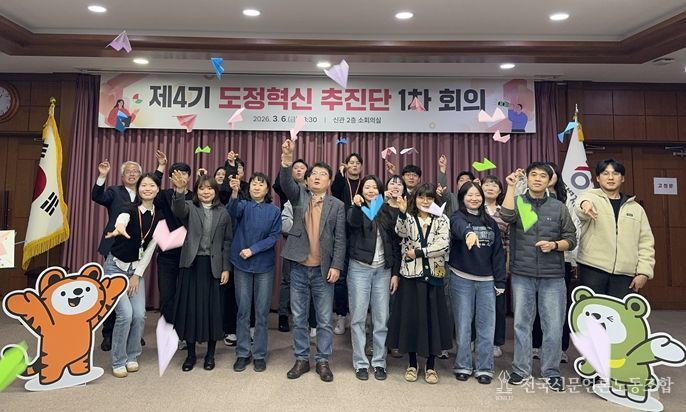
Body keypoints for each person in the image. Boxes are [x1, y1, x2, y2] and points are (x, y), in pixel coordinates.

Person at [500, 163, 577, 392]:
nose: (537, 179)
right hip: (522, 273)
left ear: (549, 180)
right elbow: (505, 216)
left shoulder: (558, 207)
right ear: (527, 178)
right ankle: (521, 369)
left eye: (543, 176)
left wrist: (554, 245)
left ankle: (551, 371)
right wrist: (511, 187)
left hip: (553, 275)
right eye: (533, 175)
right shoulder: (519, 202)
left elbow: (571, 239)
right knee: (522, 323)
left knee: (552, 325)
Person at [279, 138, 346, 382]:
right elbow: (286, 183)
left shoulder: (337, 205)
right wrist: (287, 159)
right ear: (307, 180)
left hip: (323, 270)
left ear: (329, 181)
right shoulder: (299, 197)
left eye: (322, 174)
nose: (317, 177)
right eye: (313, 174)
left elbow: (340, 239)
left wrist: (336, 265)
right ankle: (301, 359)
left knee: (324, 320)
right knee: (299, 318)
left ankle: (323, 361)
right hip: (298, 267)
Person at [92, 153, 165, 351]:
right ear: (122, 175)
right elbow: (97, 197)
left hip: (137, 253)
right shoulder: (114, 192)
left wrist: (161, 167)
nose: (132, 174)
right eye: (128, 172)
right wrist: (102, 176)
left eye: (136, 172)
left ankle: (133, 336)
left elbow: (153, 182)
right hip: (115, 248)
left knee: (134, 302)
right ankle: (108, 335)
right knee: (114, 297)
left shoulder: (149, 196)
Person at [387, 183, 452, 384]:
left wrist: (419, 252)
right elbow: (400, 232)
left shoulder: (442, 219)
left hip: (434, 275)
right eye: (421, 197)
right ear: (414, 199)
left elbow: (443, 245)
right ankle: (412, 363)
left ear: (434, 200)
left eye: (429, 198)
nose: (425, 201)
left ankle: (431, 366)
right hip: (410, 277)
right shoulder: (408, 217)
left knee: (433, 321)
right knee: (412, 320)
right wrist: (402, 213)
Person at [104, 173, 164, 378]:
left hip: (135, 270)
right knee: (125, 315)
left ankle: (132, 356)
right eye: (143, 185)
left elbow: (150, 250)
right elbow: (121, 221)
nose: (147, 188)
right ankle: (118, 360)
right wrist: (119, 229)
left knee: (139, 315)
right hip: (115, 268)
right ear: (138, 189)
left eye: (151, 185)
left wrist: (137, 275)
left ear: (157, 189)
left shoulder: (159, 217)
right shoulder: (129, 208)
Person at [171, 172, 232, 372]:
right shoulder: (190, 207)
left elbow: (227, 242)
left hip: (213, 266)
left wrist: (226, 268)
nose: (206, 192)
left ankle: (210, 355)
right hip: (191, 264)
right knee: (190, 310)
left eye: (210, 188)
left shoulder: (223, 212)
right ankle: (190, 355)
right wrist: (180, 190)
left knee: (212, 310)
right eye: (201, 188)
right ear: (196, 191)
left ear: (215, 191)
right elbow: (178, 209)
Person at [449, 182, 506, 385]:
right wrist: (468, 233)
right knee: (463, 325)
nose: (474, 198)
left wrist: (500, 281)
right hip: (461, 278)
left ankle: (485, 367)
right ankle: (463, 365)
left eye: (477, 195)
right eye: (469, 195)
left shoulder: (490, 222)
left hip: (487, 281)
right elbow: (458, 227)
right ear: (462, 198)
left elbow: (498, 254)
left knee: (486, 326)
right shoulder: (457, 217)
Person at [347, 175, 400, 381]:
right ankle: (360, 363)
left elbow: (395, 243)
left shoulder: (386, 211)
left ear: (379, 190)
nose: (371, 190)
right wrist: (356, 205)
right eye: (367, 187)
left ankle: (379, 362)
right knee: (358, 318)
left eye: (374, 187)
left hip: (383, 271)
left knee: (381, 319)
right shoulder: (357, 209)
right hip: (359, 269)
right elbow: (352, 223)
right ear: (361, 190)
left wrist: (394, 272)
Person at [576, 159, 655, 297]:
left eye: (615, 173)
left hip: (625, 273)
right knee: (591, 309)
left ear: (622, 178)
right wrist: (585, 205)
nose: (610, 177)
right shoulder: (590, 198)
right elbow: (581, 205)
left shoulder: (636, 209)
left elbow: (646, 242)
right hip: (592, 268)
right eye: (605, 173)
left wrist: (644, 272)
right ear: (598, 178)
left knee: (619, 310)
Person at [227, 173, 281, 373]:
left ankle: (259, 354)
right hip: (241, 264)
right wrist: (234, 193)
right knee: (243, 311)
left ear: (267, 189)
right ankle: (242, 353)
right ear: (248, 188)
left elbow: (274, 237)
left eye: (261, 184)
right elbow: (231, 212)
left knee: (261, 312)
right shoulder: (243, 205)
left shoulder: (274, 211)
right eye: (253, 184)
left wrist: (253, 249)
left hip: (264, 266)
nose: (256, 187)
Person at [531, 162, 574, 363]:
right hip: (533, 261)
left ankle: (560, 350)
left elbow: (572, 234)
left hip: (559, 261)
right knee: (534, 310)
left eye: (548, 173)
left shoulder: (565, 202)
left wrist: (558, 246)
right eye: (536, 174)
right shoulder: (527, 199)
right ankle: (535, 345)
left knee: (557, 311)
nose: (541, 177)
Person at [152, 160, 193, 335]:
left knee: (186, 295)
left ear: (189, 177)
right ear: (170, 178)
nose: (180, 177)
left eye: (184, 173)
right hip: (167, 255)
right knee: (167, 295)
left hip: (189, 254)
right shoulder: (163, 195)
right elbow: (150, 188)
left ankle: (183, 331)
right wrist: (160, 169)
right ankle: (169, 332)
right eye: (176, 173)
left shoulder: (195, 197)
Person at [273, 159, 310, 332]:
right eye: (296, 168)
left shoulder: (314, 194)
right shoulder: (286, 189)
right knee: (287, 279)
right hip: (292, 238)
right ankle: (283, 315)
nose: (299, 170)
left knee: (308, 281)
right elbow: (279, 183)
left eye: (303, 168)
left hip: (311, 244)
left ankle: (305, 318)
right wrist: (286, 164)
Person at [330, 153, 364, 335]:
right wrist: (339, 173)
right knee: (341, 279)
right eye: (351, 162)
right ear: (346, 165)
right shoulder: (342, 182)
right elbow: (334, 191)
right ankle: (341, 316)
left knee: (360, 279)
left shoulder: (366, 184)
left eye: (357, 163)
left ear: (361, 166)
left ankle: (359, 316)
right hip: (342, 234)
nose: (354, 165)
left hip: (361, 235)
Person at [481, 175, 509, 358]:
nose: (490, 188)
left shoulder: (505, 212)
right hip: (477, 262)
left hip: (499, 262)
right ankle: (476, 338)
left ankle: (496, 342)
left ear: (500, 191)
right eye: (487, 184)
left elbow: (510, 240)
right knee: (477, 304)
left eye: (494, 185)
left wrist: (507, 265)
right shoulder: (474, 208)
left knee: (498, 304)